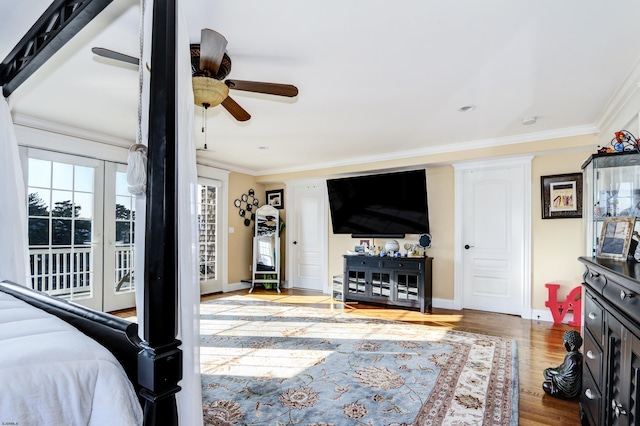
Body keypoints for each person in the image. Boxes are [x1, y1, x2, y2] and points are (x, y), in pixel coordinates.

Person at [542, 330, 583, 399]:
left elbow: (567, 379)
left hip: (567, 390)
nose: (563, 344)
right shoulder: (572, 355)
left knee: (545, 385)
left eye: (565, 342)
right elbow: (562, 368)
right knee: (547, 371)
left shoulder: (573, 360)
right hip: (561, 379)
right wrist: (553, 371)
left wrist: (554, 376)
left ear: (570, 344)